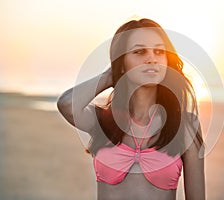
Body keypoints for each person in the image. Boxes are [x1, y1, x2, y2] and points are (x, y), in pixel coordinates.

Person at [57, 18, 205, 200]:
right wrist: (110, 76)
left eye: (159, 51)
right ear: (121, 62)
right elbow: (65, 104)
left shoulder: (186, 125)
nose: (151, 58)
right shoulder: (102, 120)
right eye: (139, 51)